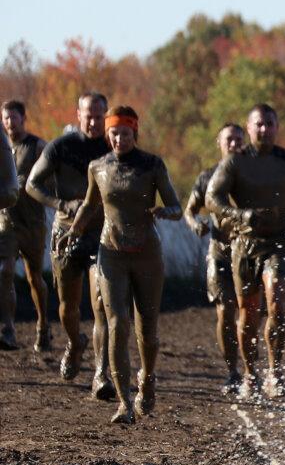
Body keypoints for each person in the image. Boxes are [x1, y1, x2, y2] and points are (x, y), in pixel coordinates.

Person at [59, 106, 181, 423]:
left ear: (134, 133)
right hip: (110, 250)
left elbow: (176, 206)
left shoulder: (152, 165)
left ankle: (148, 380)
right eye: (113, 133)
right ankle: (124, 402)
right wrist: (74, 231)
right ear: (107, 134)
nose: (118, 139)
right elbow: (89, 203)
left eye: (124, 133)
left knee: (147, 332)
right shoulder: (97, 166)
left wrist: (164, 212)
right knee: (117, 324)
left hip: (146, 254)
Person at [206, 103, 285, 399]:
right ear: (249, 127)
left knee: (277, 304)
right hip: (245, 244)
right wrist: (240, 216)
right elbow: (212, 197)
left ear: (277, 127)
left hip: (279, 241)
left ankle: (275, 373)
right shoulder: (234, 162)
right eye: (259, 124)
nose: (265, 129)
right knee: (248, 313)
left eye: (270, 123)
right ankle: (250, 374)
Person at [25, 92, 112, 396]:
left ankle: (102, 373)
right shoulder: (61, 147)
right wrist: (61, 204)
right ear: (78, 114)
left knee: (102, 303)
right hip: (67, 234)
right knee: (67, 308)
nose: (93, 121)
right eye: (88, 114)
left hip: (102, 234)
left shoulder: (112, 147)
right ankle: (76, 343)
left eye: (99, 116)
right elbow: (32, 184)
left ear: (106, 116)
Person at [184, 123, 245, 392]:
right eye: (229, 140)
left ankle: (255, 368)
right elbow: (190, 209)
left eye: (239, 140)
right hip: (219, 251)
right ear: (218, 143)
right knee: (225, 311)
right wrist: (195, 223)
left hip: (250, 251)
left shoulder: (253, 176)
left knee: (250, 313)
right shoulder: (207, 176)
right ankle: (232, 371)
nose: (234, 145)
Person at [0, 101, 49, 351]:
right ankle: (8, 330)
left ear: (23, 118)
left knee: (34, 278)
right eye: (5, 118)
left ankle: (43, 325)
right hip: (7, 220)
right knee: (4, 271)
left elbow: (50, 177)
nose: (9, 123)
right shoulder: (1, 147)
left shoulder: (36, 146)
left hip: (32, 221)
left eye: (13, 118)